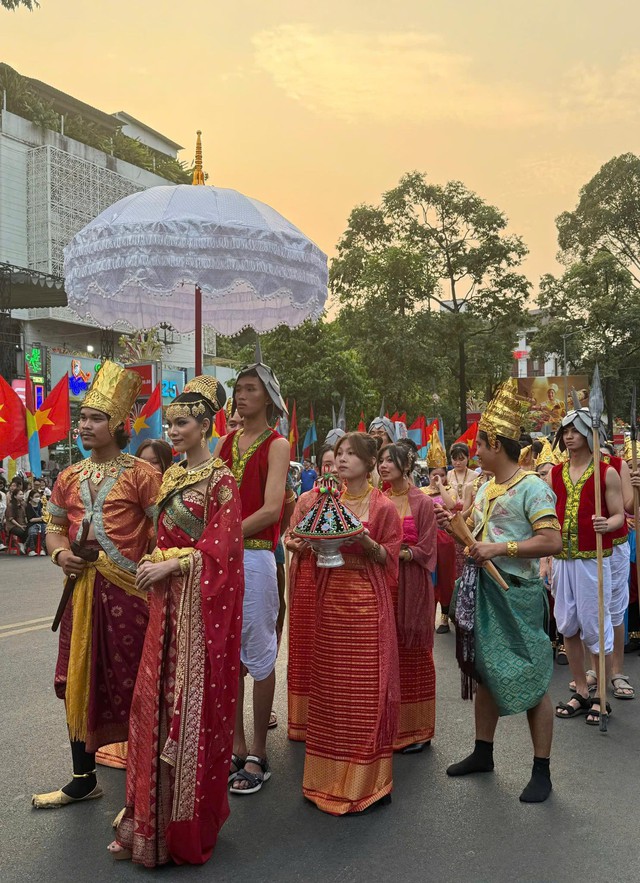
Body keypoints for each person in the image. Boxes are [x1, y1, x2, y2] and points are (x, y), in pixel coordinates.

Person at [110, 377, 244, 867]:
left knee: (184, 706)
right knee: (153, 705)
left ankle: (182, 826)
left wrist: (174, 564)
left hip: (195, 611)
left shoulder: (221, 480)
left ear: (206, 425)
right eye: (170, 423)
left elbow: (223, 552)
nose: (173, 430)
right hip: (166, 607)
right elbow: (155, 534)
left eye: (182, 422)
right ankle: (148, 823)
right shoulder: (168, 478)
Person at [32, 361, 161, 809]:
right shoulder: (66, 476)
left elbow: (163, 532)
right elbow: (52, 527)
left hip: (129, 596)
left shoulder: (143, 475)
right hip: (81, 595)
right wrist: (60, 554)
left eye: (95, 418)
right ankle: (83, 778)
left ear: (118, 423)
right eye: (82, 417)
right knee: (78, 679)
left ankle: (141, 790)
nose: (84, 425)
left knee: (130, 684)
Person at [441, 380, 562, 803]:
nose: (474, 450)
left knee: (532, 678)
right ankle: (482, 751)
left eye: (479, 442)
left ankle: (541, 769)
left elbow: (552, 541)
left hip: (520, 592)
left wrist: (501, 547)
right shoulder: (489, 487)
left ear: (495, 442)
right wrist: (456, 530)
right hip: (485, 591)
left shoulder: (532, 487)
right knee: (486, 671)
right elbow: (475, 540)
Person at [303, 432, 402, 814]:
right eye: (339, 453)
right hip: (330, 605)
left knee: (365, 692)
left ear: (368, 461)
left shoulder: (383, 508)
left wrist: (363, 541)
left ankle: (368, 782)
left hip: (366, 607)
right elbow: (312, 543)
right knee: (331, 691)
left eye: (350, 454)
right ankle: (325, 778)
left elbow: (388, 557)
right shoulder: (328, 501)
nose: (341, 460)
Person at [215, 344, 289, 794]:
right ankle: (236, 744)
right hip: (221, 558)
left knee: (259, 654)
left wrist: (223, 536)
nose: (241, 396)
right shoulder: (223, 443)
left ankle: (259, 750)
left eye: (250, 389)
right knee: (227, 655)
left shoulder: (276, 444)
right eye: (238, 389)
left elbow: (272, 508)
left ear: (268, 397)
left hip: (257, 556)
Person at [96, 437, 174, 773]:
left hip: (161, 580)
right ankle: (129, 740)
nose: (148, 468)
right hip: (124, 581)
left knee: (160, 668)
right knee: (123, 668)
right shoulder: (129, 484)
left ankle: (162, 741)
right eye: (143, 461)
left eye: (155, 462)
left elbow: (171, 536)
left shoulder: (171, 496)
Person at [551, 408, 624, 726]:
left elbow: (620, 515)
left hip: (593, 559)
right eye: (565, 431)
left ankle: (600, 697)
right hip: (561, 558)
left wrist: (606, 524)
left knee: (595, 625)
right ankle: (581, 689)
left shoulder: (606, 471)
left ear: (589, 434)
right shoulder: (554, 473)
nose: (568, 436)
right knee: (567, 623)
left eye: (575, 430)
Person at [379, 443, 438, 753]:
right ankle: (392, 726)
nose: (384, 465)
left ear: (407, 465)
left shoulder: (422, 502)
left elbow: (428, 548)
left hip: (412, 585)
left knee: (415, 655)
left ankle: (418, 730)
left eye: (391, 460)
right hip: (384, 586)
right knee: (389, 657)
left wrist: (402, 553)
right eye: (381, 460)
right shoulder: (380, 500)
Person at [284, 443, 336, 741]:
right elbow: (290, 534)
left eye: (335, 464)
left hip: (340, 577)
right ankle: (303, 721)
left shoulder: (350, 501)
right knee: (305, 642)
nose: (330, 470)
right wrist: (297, 544)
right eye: (325, 464)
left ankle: (334, 716)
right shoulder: (305, 499)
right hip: (306, 576)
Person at [422, 434, 457, 634]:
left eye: (442, 474)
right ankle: (428, 615)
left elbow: (451, 505)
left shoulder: (450, 490)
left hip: (445, 539)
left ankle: (444, 617)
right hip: (428, 540)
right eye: (434, 475)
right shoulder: (421, 492)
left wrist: (441, 486)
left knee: (445, 577)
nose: (438, 478)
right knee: (428, 578)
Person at [5, 485, 28, 553]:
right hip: (12, 526)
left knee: (30, 530)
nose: (22, 495)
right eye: (20, 494)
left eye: (22, 494)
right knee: (22, 532)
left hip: (22, 523)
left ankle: (25, 545)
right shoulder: (10, 505)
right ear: (15, 496)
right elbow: (11, 519)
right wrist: (20, 526)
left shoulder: (23, 504)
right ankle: (21, 544)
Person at [25, 488, 47, 555]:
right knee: (33, 533)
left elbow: (46, 514)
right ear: (31, 497)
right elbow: (31, 519)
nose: (38, 498)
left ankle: (42, 548)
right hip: (32, 524)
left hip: (42, 523)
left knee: (46, 531)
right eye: (36, 497)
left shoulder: (42, 505)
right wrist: (41, 518)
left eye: (38, 496)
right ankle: (31, 549)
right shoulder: (28, 506)